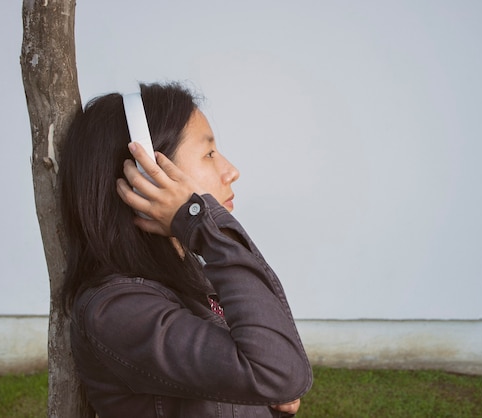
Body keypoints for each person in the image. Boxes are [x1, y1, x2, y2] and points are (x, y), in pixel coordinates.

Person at [59, 82, 312, 417]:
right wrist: (198, 220)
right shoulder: (118, 310)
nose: (231, 171)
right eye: (208, 154)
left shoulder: (184, 273)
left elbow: (277, 365)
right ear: (144, 176)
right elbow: (278, 373)